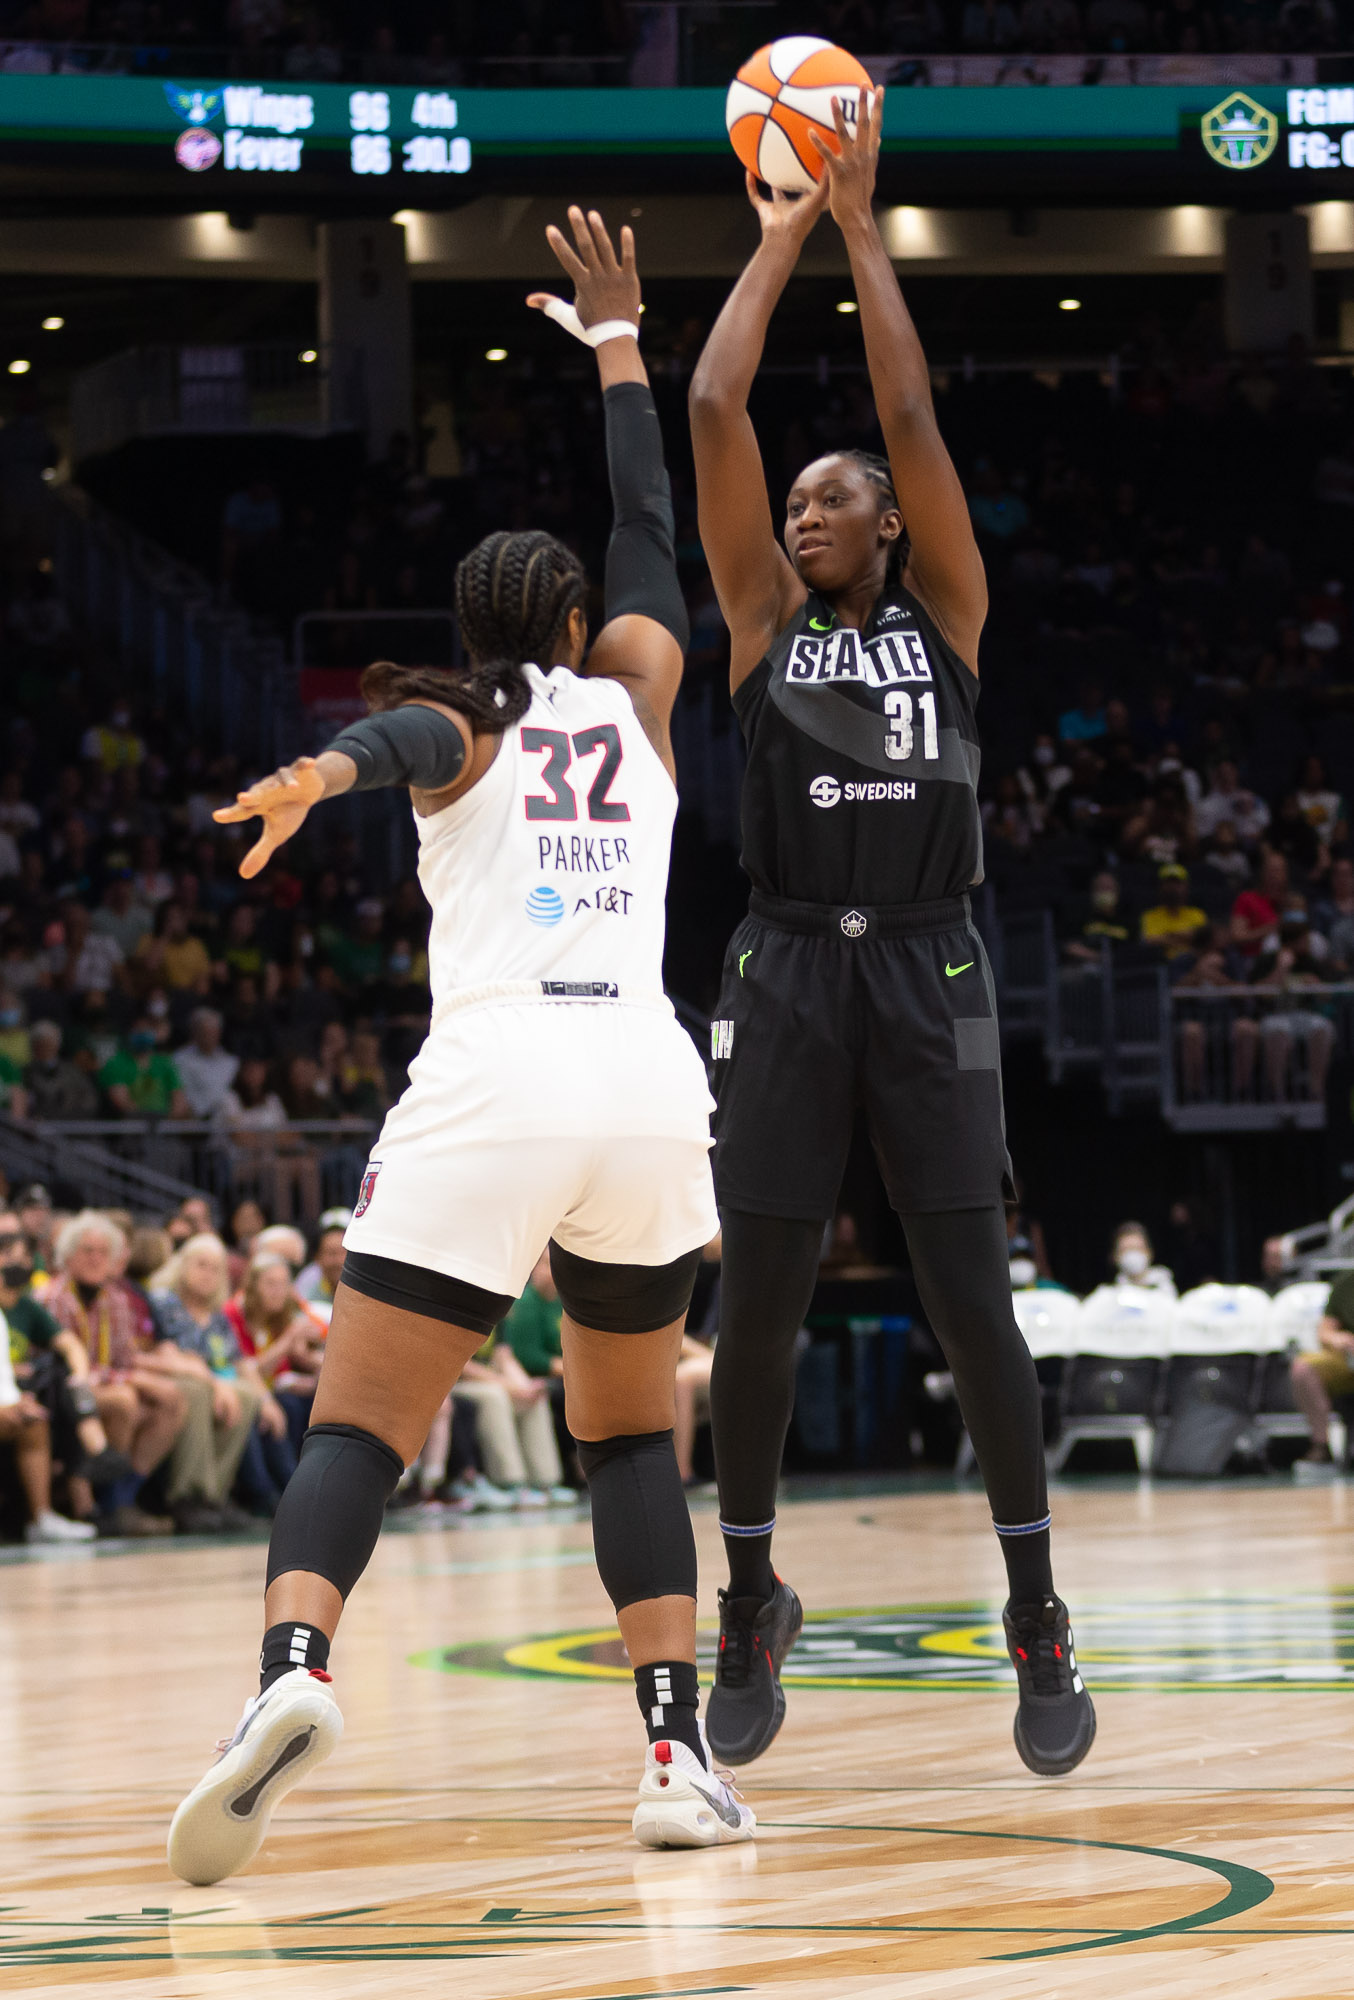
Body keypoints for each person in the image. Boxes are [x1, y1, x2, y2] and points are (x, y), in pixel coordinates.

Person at [169, 206, 752, 1886]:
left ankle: (289, 1679)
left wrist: (320, 777)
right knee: (628, 1435)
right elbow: (647, 524)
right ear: (571, 627)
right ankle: (669, 1753)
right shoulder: (635, 691)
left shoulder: (462, 718)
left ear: (473, 627)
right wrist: (617, 348)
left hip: (495, 1079)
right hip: (646, 1083)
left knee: (357, 1427)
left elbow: (398, 731)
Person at [688, 91, 1093, 1777]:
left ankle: (1033, 1612)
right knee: (760, 1306)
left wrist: (860, 224)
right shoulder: (759, 625)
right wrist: (777, 222)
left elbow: (908, 400)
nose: (800, 510)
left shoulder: (950, 619)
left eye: (831, 496)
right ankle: (752, 1596)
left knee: (969, 1302)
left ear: (891, 527)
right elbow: (710, 396)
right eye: (790, 499)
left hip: (928, 958)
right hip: (783, 960)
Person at [41, 1211, 185, 1535]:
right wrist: (132, 1379)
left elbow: (122, 1361)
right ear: (67, 1256)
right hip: (62, 1390)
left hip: (99, 1384)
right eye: (87, 1250)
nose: (95, 1259)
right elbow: (64, 1368)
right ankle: (98, 1503)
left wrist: (143, 1377)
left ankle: (122, 1497)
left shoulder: (116, 1299)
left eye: (103, 1252)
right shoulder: (54, 1297)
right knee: (124, 1400)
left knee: (171, 1401)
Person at [147, 1234, 271, 1533]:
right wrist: (216, 1384)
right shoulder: (164, 1302)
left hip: (213, 1382)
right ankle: (187, 1495)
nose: (208, 1274)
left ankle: (214, 1495)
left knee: (247, 1396)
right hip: (171, 1377)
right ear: (183, 1265)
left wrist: (266, 1400)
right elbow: (166, 1353)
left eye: (216, 1268)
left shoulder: (217, 1316)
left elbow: (240, 1362)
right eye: (201, 1265)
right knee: (199, 1392)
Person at [1290, 1268, 1354, 1470]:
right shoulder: (1345, 1282)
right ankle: (1321, 1445)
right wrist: (1338, 1338)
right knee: (1303, 1368)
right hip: (1349, 1360)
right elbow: (1325, 1330)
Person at [294, 1211, 350, 1306]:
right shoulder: (307, 1287)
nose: (339, 1261)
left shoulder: (367, 1290)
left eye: (344, 1252)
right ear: (317, 1257)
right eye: (332, 1253)